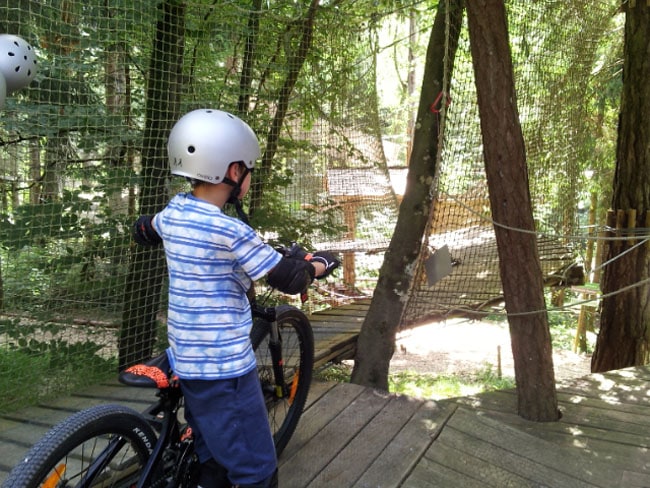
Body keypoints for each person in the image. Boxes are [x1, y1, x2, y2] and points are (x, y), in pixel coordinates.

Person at [132, 108, 339, 488]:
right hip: (224, 369)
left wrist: (147, 229)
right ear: (232, 172)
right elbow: (291, 278)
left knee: (212, 449)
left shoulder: (174, 212)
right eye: (247, 167)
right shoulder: (229, 230)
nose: (249, 174)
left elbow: (145, 229)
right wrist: (319, 264)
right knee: (257, 471)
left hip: (186, 355)